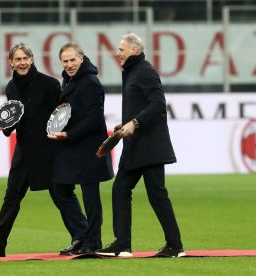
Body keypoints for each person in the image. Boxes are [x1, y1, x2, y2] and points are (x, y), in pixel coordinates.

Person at [95, 33, 185, 258]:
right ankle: (123, 245)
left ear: (134, 50)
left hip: (150, 146)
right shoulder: (133, 72)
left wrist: (135, 122)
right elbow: (144, 105)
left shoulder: (145, 71)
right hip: (136, 147)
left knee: (155, 194)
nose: (118, 53)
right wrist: (125, 124)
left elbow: (158, 104)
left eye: (121, 49)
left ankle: (174, 246)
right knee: (121, 189)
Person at [0, 43, 63, 257]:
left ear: (32, 59)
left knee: (61, 195)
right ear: (11, 62)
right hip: (23, 151)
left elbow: (60, 116)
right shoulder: (11, 87)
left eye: (25, 58)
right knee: (11, 198)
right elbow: (14, 120)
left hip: (47, 150)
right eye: (17, 59)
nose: (22, 63)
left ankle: (84, 238)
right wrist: (3, 125)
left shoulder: (50, 84)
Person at [48, 42, 114, 255]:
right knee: (59, 188)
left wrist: (68, 134)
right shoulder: (69, 80)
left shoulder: (90, 82)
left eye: (72, 60)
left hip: (89, 147)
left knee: (90, 196)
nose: (69, 64)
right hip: (73, 147)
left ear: (82, 59)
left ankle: (92, 242)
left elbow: (94, 119)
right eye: (65, 61)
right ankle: (81, 235)